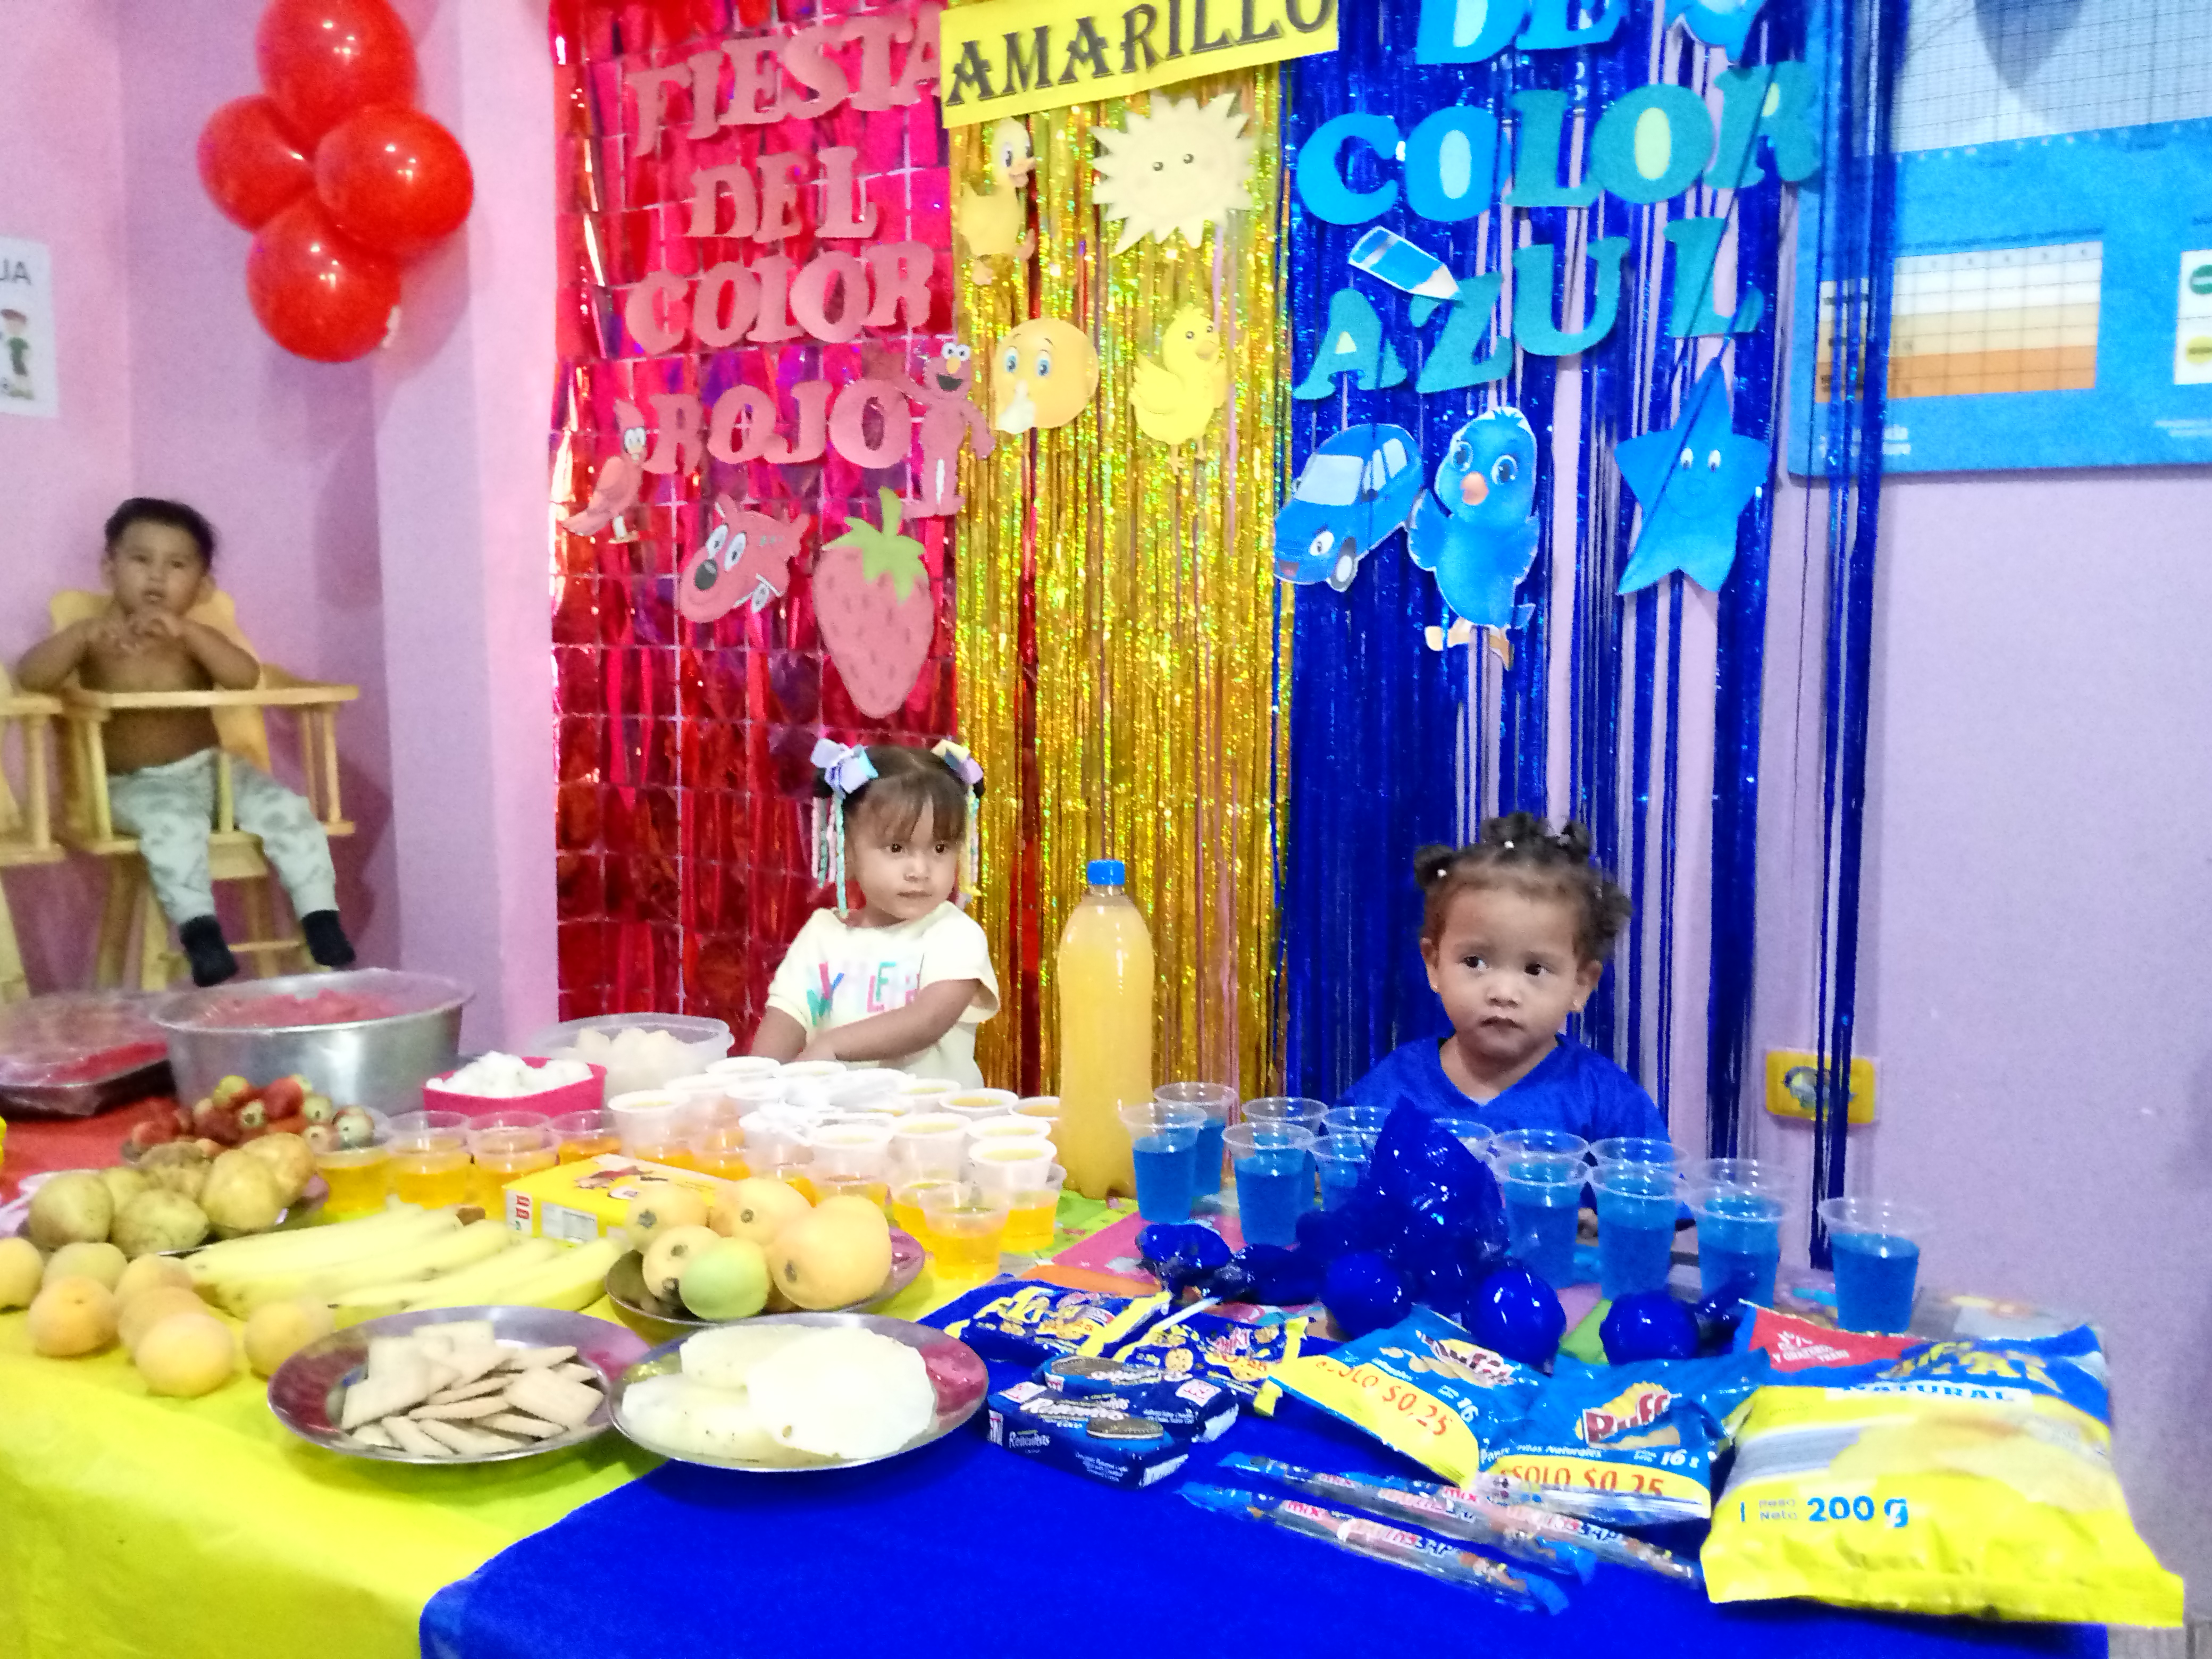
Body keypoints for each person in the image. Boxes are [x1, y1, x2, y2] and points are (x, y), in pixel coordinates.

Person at [16, 498, 356, 987]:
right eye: (141, 560)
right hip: (136, 785)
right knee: (173, 829)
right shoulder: (94, 640)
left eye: (177, 565)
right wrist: (80, 635)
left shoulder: (195, 639)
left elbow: (243, 677)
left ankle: (320, 916)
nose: (157, 576)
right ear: (110, 568)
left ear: (202, 586)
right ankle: (201, 932)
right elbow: (32, 677)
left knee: (288, 810)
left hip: (214, 771)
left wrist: (193, 635)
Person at [1340, 812, 1667, 1142]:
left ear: (1581, 984)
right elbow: (1334, 1163)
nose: (1503, 992)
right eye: (1475, 962)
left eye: (1535, 969)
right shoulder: (1392, 1089)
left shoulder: (1609, 1106)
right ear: (1434, 964)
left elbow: (1651, 1175)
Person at [750, 738, 1000, 1085]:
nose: (920, 870)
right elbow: (786, 1019)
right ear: (848, 851)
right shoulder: (823, 935)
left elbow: (927, 1020)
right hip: (838, 1117)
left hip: (931, 1117)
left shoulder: (955, 935)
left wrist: (833, 1046)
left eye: (940, 848)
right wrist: (752, 1085)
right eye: (897, 848)